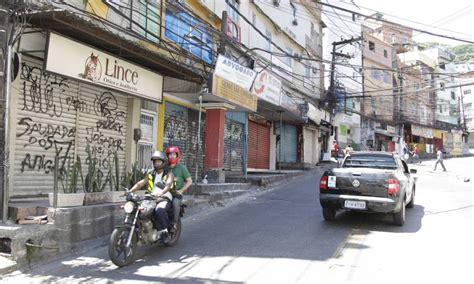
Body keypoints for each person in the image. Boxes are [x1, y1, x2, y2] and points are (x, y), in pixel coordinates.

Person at [128, 151, 174, 242]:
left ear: (163, 162)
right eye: (155, 161)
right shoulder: (151, 174)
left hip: (164, 197)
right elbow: (140, 183)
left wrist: (161, 192)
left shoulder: (169, 173)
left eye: (158, 161)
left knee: (159, 210)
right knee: (137, 208)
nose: (156, 163)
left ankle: (165, 232)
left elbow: (168, 184)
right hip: (150, 197)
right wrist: (130, 191)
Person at [166, 146, 193, 228]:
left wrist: (181, 191)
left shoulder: (182, 168)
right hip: (165, 192)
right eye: (170, 154)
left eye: (174, 154)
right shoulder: (164, 167)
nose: (172, 156)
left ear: (177, 155)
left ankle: (174, 223)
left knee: (175, 203)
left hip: (176, 193)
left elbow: (189, 181)